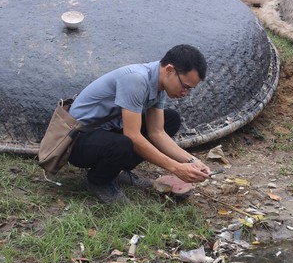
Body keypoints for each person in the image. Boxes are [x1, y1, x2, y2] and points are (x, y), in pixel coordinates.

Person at [67, 44, 212, 203]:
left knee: (171, 119)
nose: (185, 93)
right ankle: (98, 182)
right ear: (169, 70)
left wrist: (193, 161)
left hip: (106, 133)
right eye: (185, 87)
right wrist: (175, 168)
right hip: (75, 140)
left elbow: (156, 133)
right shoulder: (136, 79)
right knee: (125, 142)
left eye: (189, 89)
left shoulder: (160, 84)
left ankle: (117, 172)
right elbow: (133, 136)